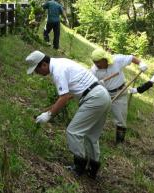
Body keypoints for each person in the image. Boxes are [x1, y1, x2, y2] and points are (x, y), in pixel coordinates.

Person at [26, 50, 111, 179]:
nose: (37, 73)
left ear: (43, 64)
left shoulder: (58, 71)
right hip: (102, 95)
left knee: (73, 131)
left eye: (36, 70)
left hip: (94, 98)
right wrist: (48, 110)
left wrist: (49, 115)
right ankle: (93, 169)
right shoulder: (62, 62)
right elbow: (70, 94)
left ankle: (79, 167)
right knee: (91, 135)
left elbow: (64, 97)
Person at [90, 49, 148, 144]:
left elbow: (132, 58)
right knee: (96, 113)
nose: (97, 65)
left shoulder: (116, 60)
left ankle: (119, 143)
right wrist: (97, 84)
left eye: (98, 62)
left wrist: (141, 63)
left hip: (120, 93)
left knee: (120, 119)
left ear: (105, 59)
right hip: (104, 94)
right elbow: (90, 84)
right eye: (95, 62)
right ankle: (92, 136)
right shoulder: (94, 70)